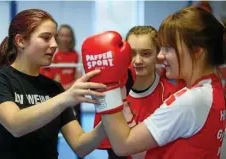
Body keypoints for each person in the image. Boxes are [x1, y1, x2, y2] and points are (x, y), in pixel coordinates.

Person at [82, 6, 226, 159]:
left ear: (197, 51)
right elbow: (141, 153)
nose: (161, 55)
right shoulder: (211, 89)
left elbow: (123, 146)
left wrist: (108, 90)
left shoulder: (191, 100)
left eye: (169, 48)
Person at [0, 9, 110, 159]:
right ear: (21, 41)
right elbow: (15, 125)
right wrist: (65, 98)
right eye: (46, 38)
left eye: (55, 38)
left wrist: (111, 116)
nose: (55, 44)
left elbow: (80, 145)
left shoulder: (54, 88)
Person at [93, 26, 184, 159]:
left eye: (146, 53)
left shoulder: (172, 96)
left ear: (158, 54)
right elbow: (112, 151)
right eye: (132, 54)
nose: (137, 61)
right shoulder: (111, 94)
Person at [52, 24, 83, 127]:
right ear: (57, 37)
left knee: (76, 123)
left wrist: (68, 89)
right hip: (57, 93)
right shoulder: (53, 55)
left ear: (71, 38)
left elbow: (79, 78)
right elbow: (55, 79)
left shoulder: (77, 55)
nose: (64, 39)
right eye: (62, 35)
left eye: (67, 36)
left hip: (73, 92)